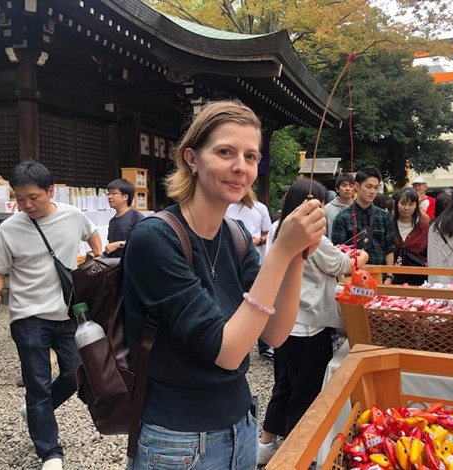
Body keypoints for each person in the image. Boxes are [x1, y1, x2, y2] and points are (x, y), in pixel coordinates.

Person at [122, 100, 325, 470]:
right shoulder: (155, 239)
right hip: (177, 440)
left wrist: (297, 256)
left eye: (250, 156)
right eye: (225, 152)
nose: (240, 167)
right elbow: (228, 351)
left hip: (240, 424)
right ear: (192, 159)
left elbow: (278, 334)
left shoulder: (236, 236)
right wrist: (280, 251)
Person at [0, 161, 102, 470]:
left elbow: (93, 236)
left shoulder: (73, 216)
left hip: (68, 314)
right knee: (36, 383)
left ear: (51, 191)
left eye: (33, 197)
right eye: (20, 199)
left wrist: (97, 260)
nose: (26, 205)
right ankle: (50, 452)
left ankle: (37, 409)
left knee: (75, 375)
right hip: (27, 316)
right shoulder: (9, 229)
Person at [258, 179, 369, 465]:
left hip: (283, 323)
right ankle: (296, 454)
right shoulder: (313, 236)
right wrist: (360, 256)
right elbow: (339, 265)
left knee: (282, 385)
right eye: (318, 205)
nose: (320, 212)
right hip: (308, 325)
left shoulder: (278, 227)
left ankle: (267, 444)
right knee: (305, 393)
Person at [226, 195, 273, 358]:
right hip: (230, 259)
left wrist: (258, 240)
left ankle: (264, 344)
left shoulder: (260, 207)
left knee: (258, 300)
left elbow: (268, 233)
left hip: (255, 258)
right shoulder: (227, 205)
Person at [331, 166, 395, 275]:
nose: (372, 191)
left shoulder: (385, 217)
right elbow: (337, 252)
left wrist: (389, 276)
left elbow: (389, 249)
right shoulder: (342, 218)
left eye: (376, 187)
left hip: (379, 276)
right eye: (368, 186)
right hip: (352, 277)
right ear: (357, 186)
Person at [391, 187, 429, 285]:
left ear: (416, 206)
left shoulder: (425, 228)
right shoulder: (388, 226)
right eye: (403, 203)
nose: (406, 208)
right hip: (392, 280)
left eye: (411, 204)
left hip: (419, 281)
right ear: (396, 204)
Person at [103, 178, 145, 258]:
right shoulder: (112, 221)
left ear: (125, 197)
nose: (109, 197)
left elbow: (142, 242)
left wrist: (118, 244)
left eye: (113, 193)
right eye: (108, 194)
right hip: (114, 265)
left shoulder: (137, 218)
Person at [324, 172, 354, 237]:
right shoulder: (327, 209)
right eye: (344, 185)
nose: (347, 189)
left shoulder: (359, 208)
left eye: (351, 186)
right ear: (337, 189)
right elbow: (323, 235)